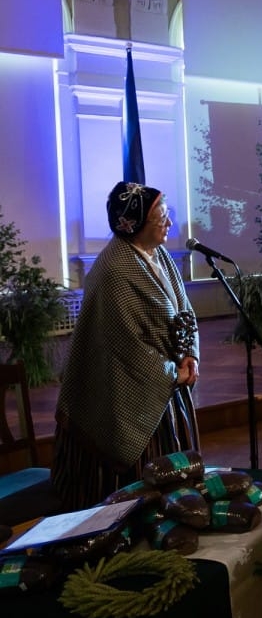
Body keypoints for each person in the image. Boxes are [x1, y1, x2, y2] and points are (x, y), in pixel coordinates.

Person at [52, 181, 200, 511]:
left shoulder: (157, 254)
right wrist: (170, 372)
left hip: (168, 383)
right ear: (132, 224)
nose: (169, 223)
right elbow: (125, 346)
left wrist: (190, 354)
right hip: (129, 392)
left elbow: (183, 309)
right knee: (138, 490)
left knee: (173, 477)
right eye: (161, 217)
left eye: (166, 214)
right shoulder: (113, 271)